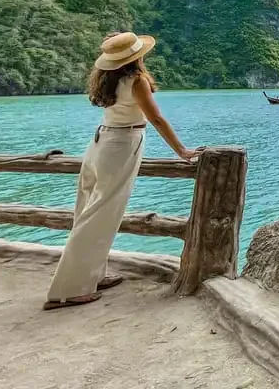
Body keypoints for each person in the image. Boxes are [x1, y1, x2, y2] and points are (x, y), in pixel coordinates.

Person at [44, 32, 202, 311]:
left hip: (100, 143)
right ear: (136, 56)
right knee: (99, 215)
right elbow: (155, 118)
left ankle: (92, 275)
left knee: (88, 211)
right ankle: (68, 290)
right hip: (120, 145)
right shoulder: (137, 80)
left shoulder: (109, 79)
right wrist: (182, 151)